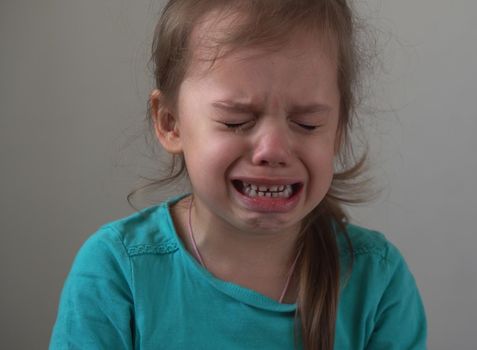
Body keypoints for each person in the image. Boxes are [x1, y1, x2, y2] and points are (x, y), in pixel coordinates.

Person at [49, 0, 427, 349]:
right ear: (170, 123)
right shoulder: (117, 271)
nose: (274, 150)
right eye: (236, 121)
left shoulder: (378, 281)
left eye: (307, 123)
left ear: (338, 130)